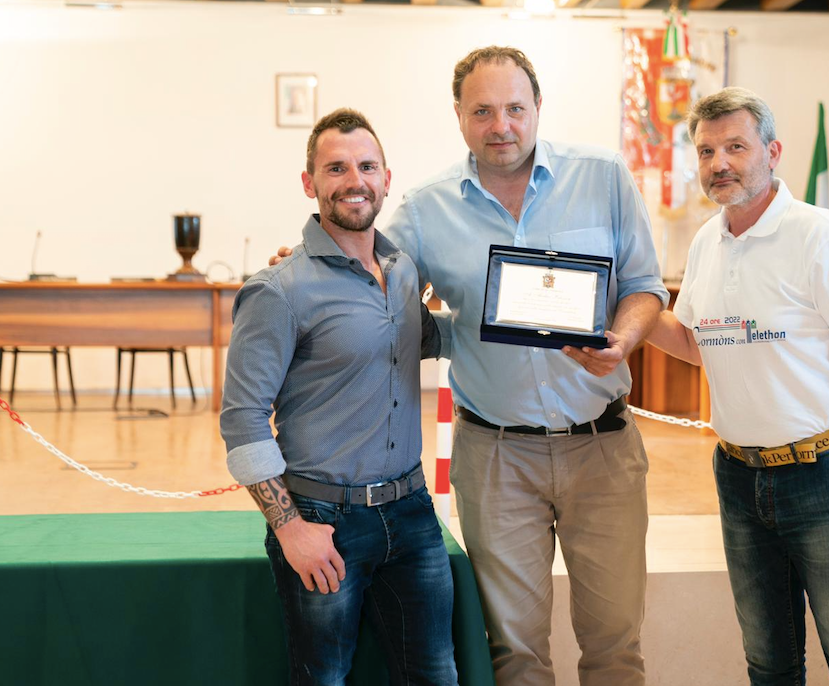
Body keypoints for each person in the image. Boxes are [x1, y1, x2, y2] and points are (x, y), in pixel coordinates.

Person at [273, 47, 667, 685]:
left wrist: (621, 341)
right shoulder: (427, 209)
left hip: (604, 450)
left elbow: (646, 286)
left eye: (514, 108)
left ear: (538, 106)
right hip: (496, 459)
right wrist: (303, 264)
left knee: (616, 648)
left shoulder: (603, 176)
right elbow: (368, 272)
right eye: (482, 111)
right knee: (515, 652)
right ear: (458, 115)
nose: (500, 125)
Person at [647, 87, 829, 686]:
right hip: (739, 478)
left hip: (826, 476)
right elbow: (695, 345)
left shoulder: (820, 236)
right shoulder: (706, 242)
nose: (719, 163)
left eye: (735, 147)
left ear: (773, 152)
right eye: (706, 151)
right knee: (769, 665)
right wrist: (620, 306)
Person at [221, 108, 458, 686]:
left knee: (436, 676)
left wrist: (540, 322)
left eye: (367, 166)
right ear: (310, 183)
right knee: (323, 678)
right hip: (322, 519)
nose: (355, 180)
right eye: (336, 168)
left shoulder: (403, 273)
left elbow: (431, 338)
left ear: (386, 178)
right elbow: (243, 421)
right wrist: (290, 529)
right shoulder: (278, 290)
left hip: (412, 513)